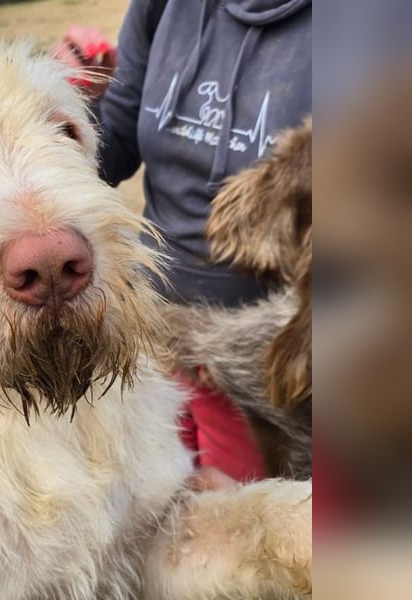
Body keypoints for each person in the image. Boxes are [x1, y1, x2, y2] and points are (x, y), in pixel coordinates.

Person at [54, 0, 312, 484]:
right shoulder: (164, 8)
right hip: (148, 340)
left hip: (264, 377)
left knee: (245, 523)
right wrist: (67, 109)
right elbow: (111, 151)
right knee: (150, 508)